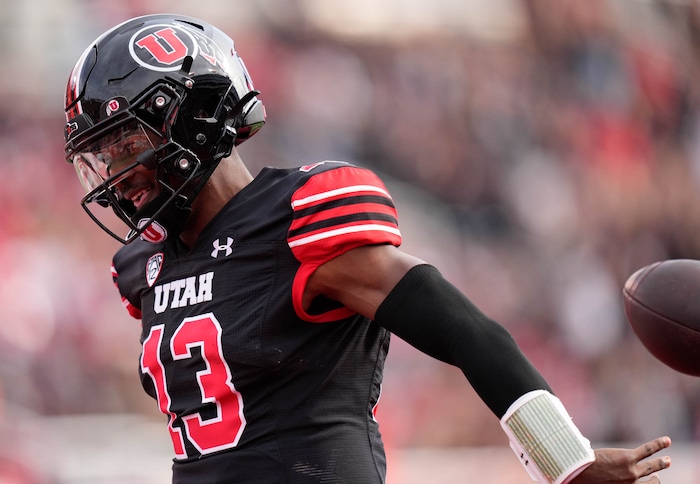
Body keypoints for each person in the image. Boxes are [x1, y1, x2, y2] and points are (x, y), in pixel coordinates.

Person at [63, 13, 672, 484]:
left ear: (194, 116)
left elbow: (464, 330)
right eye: (100, 156)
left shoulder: (296, 219)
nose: (116, 175)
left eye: (123, 145)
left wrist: (563, 458)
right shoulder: (145, 266)